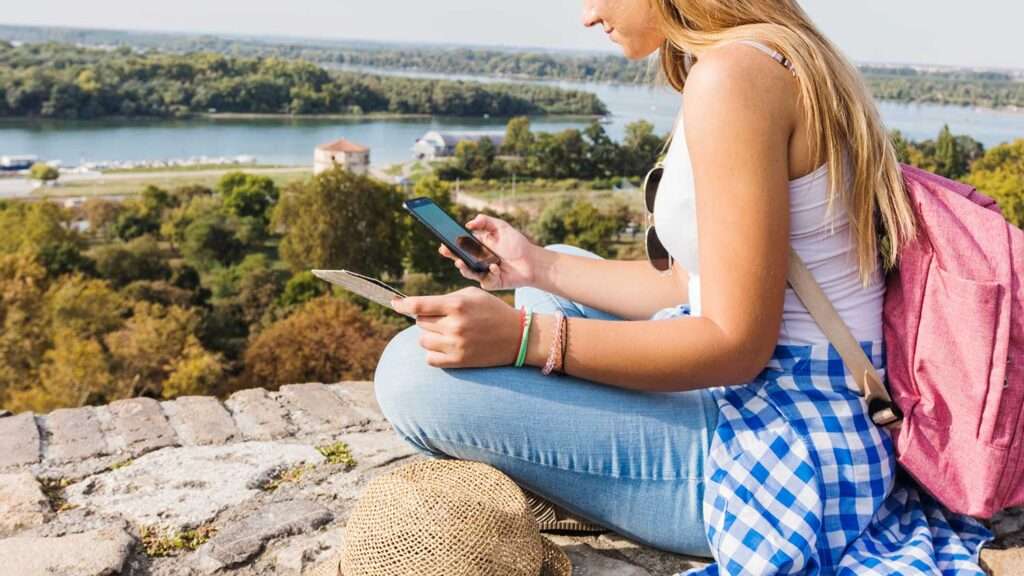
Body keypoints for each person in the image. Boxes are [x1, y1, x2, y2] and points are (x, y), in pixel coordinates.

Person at [374, 1, 992, 574]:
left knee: (410, 371)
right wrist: (535, 267)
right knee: (559, 263)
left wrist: (526, 339)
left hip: (784, 451)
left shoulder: (733, 79)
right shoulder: (767, 52)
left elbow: (735, 346)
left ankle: (570, 484)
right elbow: (688, 287)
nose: (587, 15)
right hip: (824, 401)